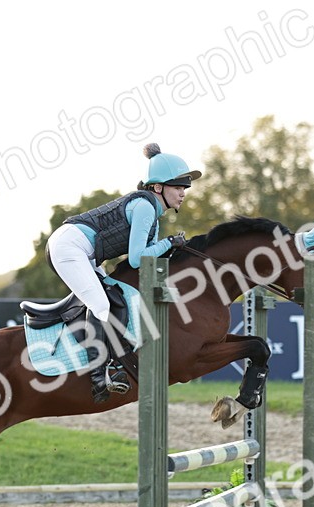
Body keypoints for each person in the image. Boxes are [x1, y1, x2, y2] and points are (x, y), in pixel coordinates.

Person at [46, 143, 202, 402]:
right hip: (69, 247)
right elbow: (137, 259)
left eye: (184, 188)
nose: (183, 193)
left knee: (115, 297)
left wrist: (170, 247)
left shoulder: (152, 211)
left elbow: (146, 255)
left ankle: (108, 361)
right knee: (101, 304)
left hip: (83, 251)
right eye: (178, 187)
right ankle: (99, 377)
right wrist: (170, 243)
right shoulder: (145, 207)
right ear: (158, 187)